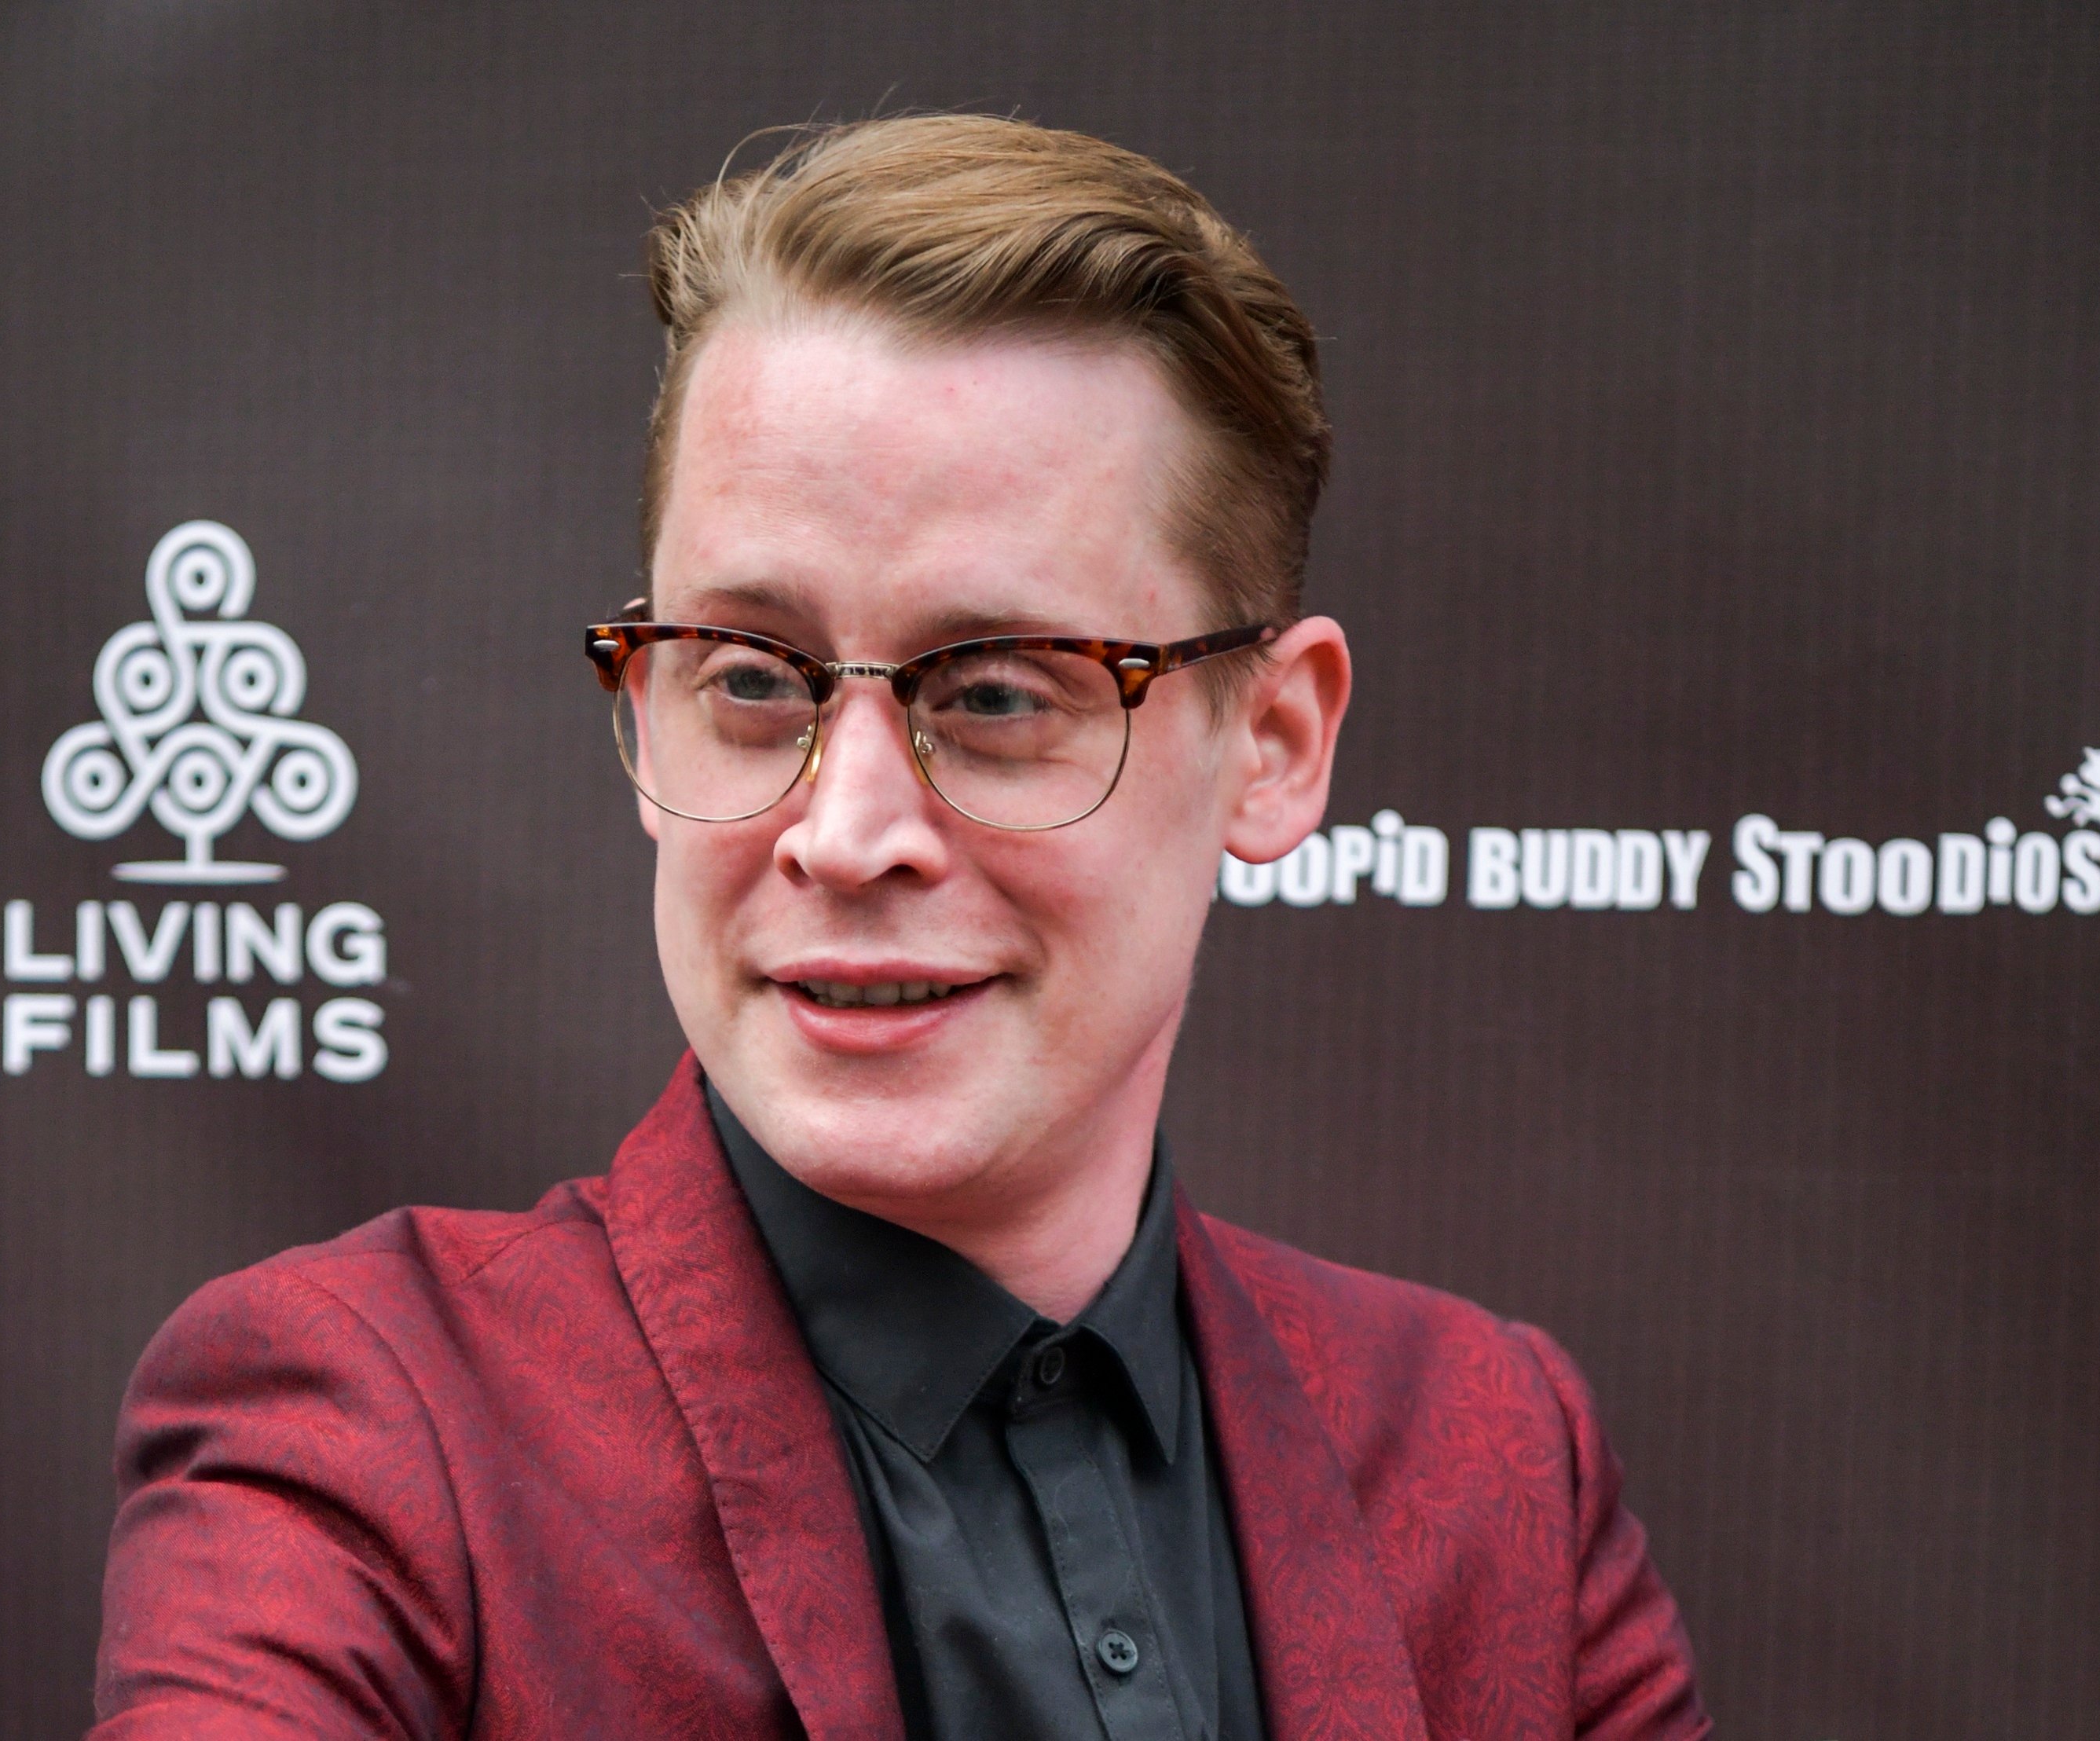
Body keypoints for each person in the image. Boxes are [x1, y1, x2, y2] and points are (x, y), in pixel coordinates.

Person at [93, 114, 1710, 1739]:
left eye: (996, 694)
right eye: (751, 679)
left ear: (1275, 743)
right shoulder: (365, 1433)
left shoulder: (1495, 1462)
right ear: (647, 718)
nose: (847, 832)